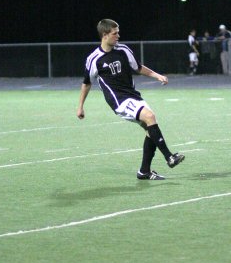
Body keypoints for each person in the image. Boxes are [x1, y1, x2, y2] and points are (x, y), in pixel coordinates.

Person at [77, 19, 185, 181]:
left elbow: (138, 67)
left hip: (133, 96)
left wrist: (157, 76)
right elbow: (86, 83)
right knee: (150, 117)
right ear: (105, 35)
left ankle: (144, 172)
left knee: (151, 129)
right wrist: (80, 107)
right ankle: (169, 157)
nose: (118, 36)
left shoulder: (123, 50)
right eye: (115, 33)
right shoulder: (94, 59)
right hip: (119, 101)